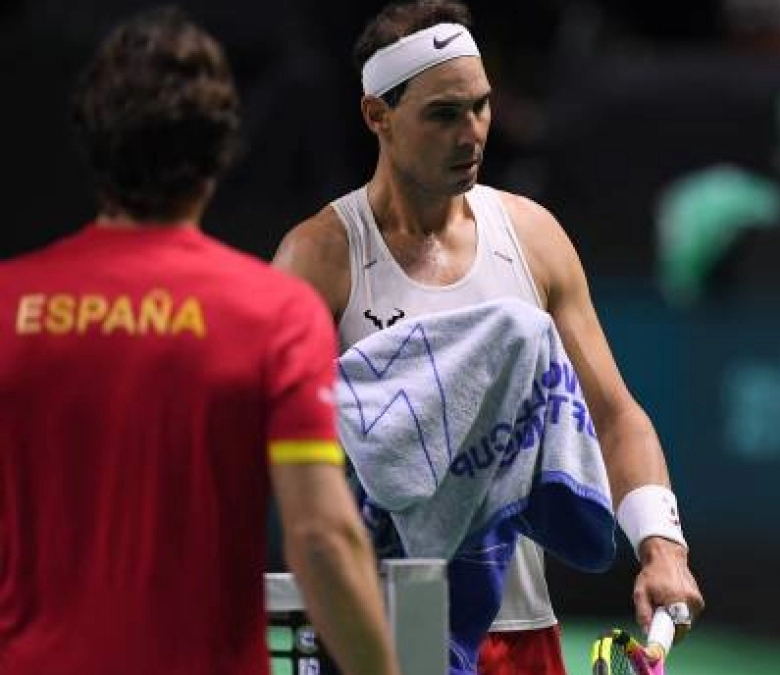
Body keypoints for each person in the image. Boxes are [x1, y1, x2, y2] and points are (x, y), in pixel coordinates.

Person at [271, 1, 704, 673]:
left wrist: (662, 545)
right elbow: (287, 451)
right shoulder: (320, 257)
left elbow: (616, 415)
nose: (472, 133)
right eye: (444, 114)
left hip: (520, 630)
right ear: (377, 117)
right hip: (377, 629)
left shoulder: (531, 238)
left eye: (481, 106)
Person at [0, 8, 400, 675]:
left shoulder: (9, 306)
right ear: (219, 153)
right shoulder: (275, 315)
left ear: (90, 144)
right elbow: (323, 537)